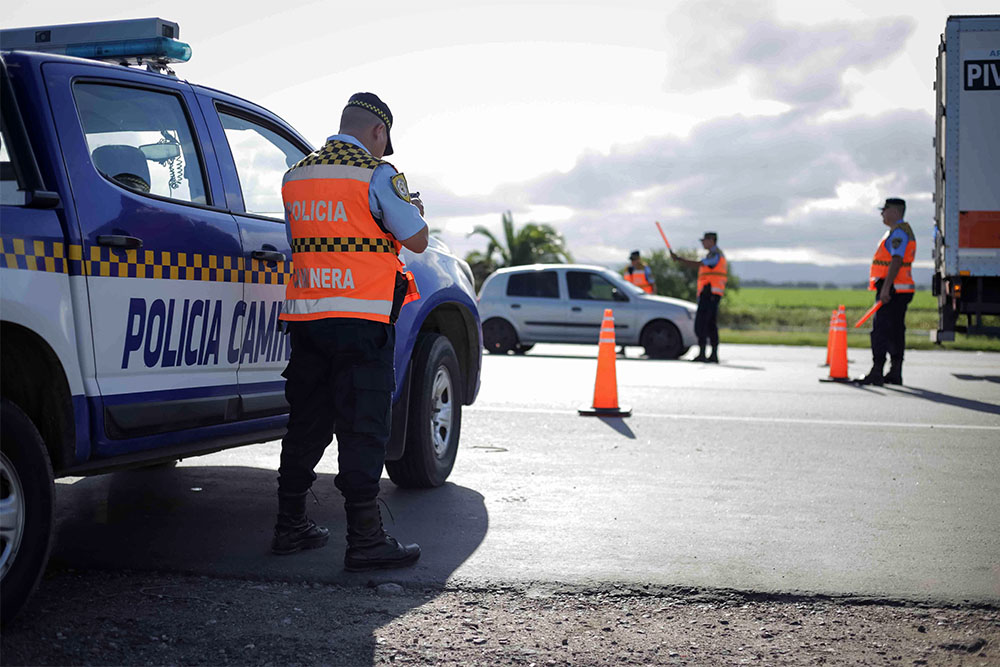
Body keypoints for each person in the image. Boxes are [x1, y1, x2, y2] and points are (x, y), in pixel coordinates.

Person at [273, 92, 429, 571]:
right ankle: (365, 540)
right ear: (378, 132)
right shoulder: (377, 174)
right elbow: (417, 240)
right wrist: (412, 206)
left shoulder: (294, 176)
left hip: (307, 318)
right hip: (361, 321)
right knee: (363, 427)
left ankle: (289, 526)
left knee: (306, 423)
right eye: (384, 142)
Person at [855, 198, 916, 386]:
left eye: (885, 210)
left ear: (895, 212)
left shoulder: (898, 233)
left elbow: (896, 260)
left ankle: (877, 372)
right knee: (896, 331)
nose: (882, 214)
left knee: (881, 331)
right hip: (899, 288)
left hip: (892, 290)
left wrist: (887, 287)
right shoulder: (901, 232)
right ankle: (895, 372)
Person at [670, 232, 727, 363]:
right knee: (710, 324)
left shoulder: (716, 255)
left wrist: (679, 259)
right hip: (710, 293)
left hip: (710, 293)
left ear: (712, 240)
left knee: (703, 324)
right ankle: (710, 354)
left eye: (704, 240)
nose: (702, 243)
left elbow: (699, 264)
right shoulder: (714, 254)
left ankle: (706, 353)